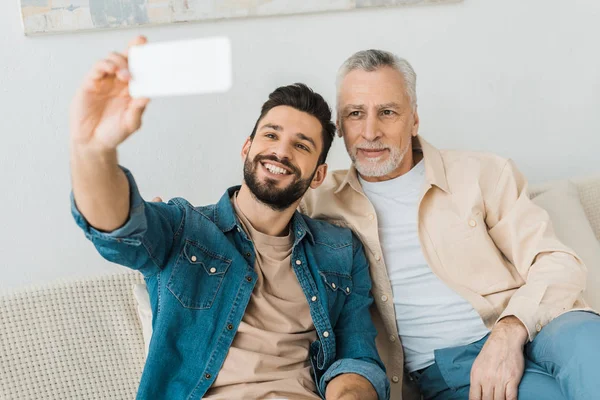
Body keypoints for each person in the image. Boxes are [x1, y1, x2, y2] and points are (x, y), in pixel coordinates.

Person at [69, 36, 389, 400]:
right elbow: (116, 229)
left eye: (301, 146)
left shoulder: (339, 250)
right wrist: (93, 150)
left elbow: (356, 354)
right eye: (271, 135)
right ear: (246, 147)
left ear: (318, 174)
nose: (281, 151)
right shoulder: (185, 230)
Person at [300, 49, 600, 400]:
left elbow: (556, 261)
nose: (370, 132)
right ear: (339, 125)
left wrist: (510, 329)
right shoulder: (317, 203)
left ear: (414, 119)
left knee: (590, 345)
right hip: (453, 365)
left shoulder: (482, 173)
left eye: (387, 112)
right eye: (355, 114)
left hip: (542, 326)